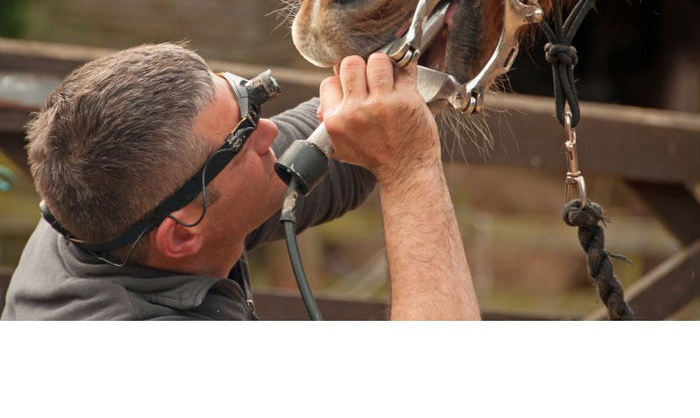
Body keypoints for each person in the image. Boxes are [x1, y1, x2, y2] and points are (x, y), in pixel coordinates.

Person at [1, 42, 480, 320]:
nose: (270, 130)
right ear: (182, 232)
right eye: (242, 137)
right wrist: (412, 168)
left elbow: (348, 141)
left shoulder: (110, 212)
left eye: (249, 104)